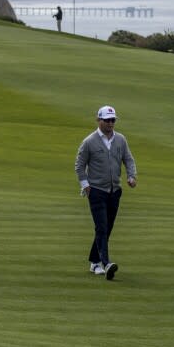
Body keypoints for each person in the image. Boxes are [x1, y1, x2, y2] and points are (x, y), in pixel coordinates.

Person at [74, 105, 137, 280]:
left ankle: (94, 261)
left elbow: (129, 159)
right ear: (99, 120)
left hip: (114, 191)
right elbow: (79, 165)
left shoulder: (121, 140)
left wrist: (132, 176)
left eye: (113, 120)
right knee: (101, 227)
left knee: (106, 228)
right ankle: (106, 263)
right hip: (96, 191)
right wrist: (86, 185)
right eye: (107, 120)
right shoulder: (89, 142)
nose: (110, 123)